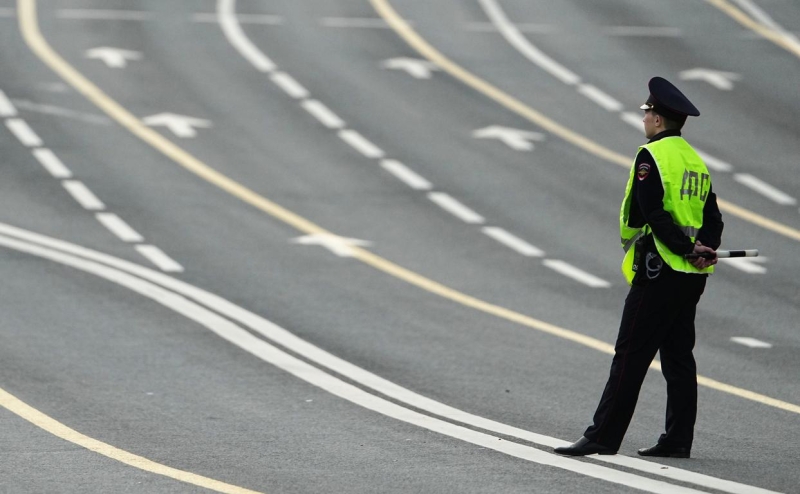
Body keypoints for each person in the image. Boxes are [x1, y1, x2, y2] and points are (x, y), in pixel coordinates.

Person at [554, 77, 724, 458]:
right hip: (691, 275)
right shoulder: (695, 161)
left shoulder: (652, 157)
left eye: (647, 113)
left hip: (659, 268)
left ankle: (602, 435)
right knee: (679, 358)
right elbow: (713, 217)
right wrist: (705, 248)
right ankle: (678, 439)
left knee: (630, 354)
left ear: (659, 120)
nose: (644, 118)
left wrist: (684, 247)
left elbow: (653, 213)